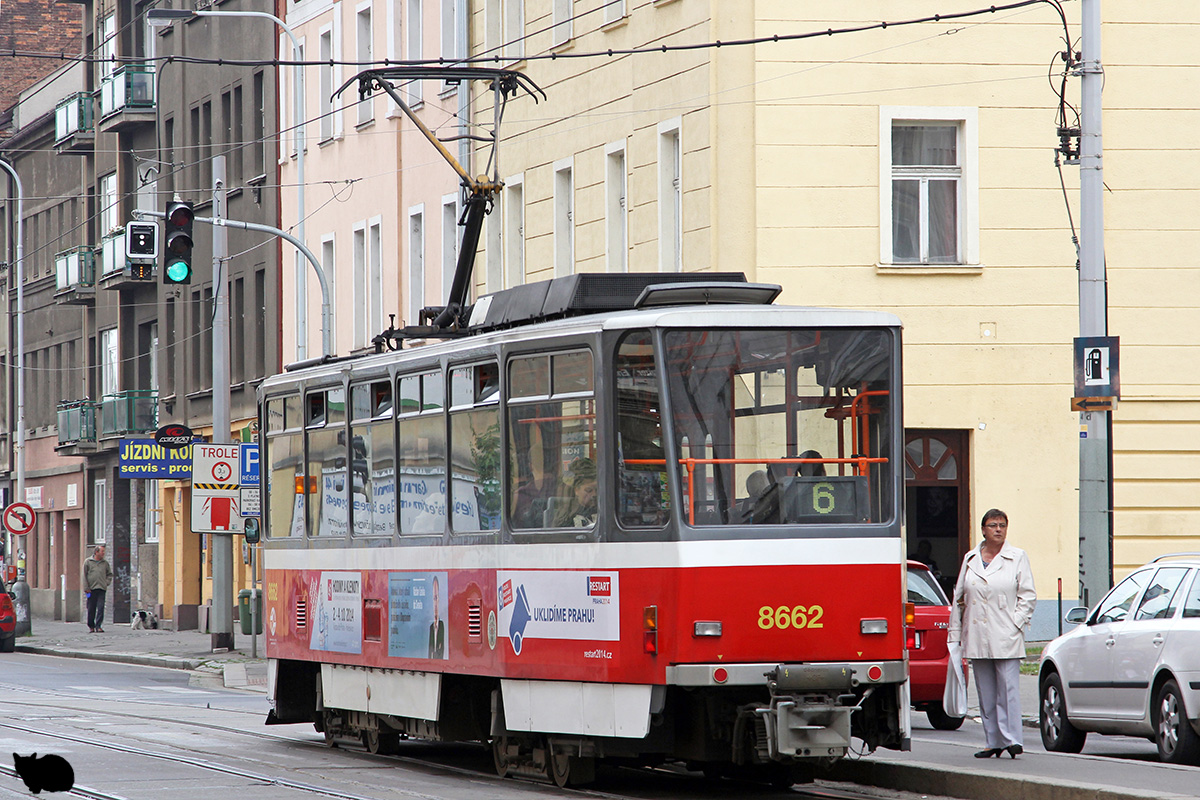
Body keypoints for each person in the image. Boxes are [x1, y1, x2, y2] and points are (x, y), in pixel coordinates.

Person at [948, 509, 1036, 759]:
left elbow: (1027, 594)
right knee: (985, 690)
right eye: (993, 525)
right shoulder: (971, 558)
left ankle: (1013, 739)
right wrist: (956, 633)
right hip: (977, 631)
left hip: (1005, 632)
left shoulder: (1017, 557)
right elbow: (959, 598)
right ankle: (993, 741)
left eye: (1003, 525)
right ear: (983, 529)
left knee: (1008, 688)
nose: (998, 529)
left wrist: (1015, 622)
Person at [552, 458, 598, 527]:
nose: (594, 494)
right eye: (589, 490)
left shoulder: (604, 511)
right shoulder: (566, 519)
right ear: (576, 490)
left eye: (597, 490)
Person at [83, 545, 113, 633]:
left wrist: (106, 582)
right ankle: (91, 625)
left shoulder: (105, 563)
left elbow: (109, 574)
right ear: (96, 552)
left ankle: (98, 625)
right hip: (91, 589)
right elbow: (84, 575)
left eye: (104, 551)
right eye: (102, 551)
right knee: (91, 607)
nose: (103, 553)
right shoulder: (88, 562)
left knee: (101, 607)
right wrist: (86, 587)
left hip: (101, 588)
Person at [427, 575, 445, 659]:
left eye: (436, 597)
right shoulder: (431, 627)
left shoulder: (441, 625)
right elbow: (429, 650)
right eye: (433, 598)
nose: (435, 603)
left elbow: (442, 647)